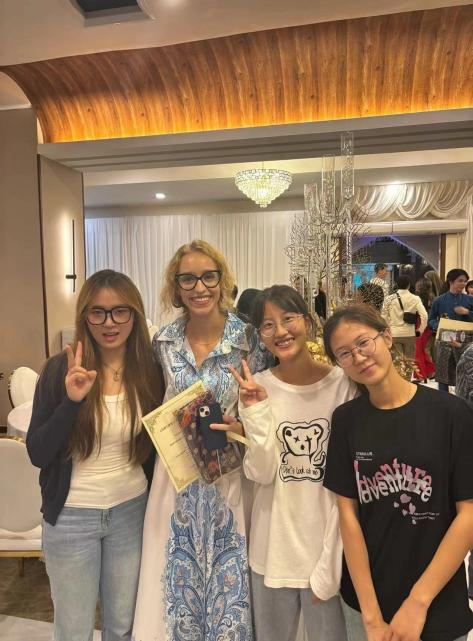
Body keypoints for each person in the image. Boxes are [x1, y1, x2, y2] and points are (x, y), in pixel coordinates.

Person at [133, 240, 269, 641]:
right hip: (176, 482)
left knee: (230, 583)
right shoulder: (163, 343)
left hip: (230, 478)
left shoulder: (250, 340)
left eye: (208, 276)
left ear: (221, 280)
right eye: (188, 279)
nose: (199, 287)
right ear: (176, 287)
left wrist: (242, 425)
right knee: (175, 581)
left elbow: (265, 406)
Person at [321, 303, 473, 641]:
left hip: (437, 601)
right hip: (366, 602)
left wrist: (418, 602)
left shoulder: (451, 414)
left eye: (364, 342)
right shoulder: (346, 420)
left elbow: (469, 513)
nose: (358, 357)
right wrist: (371, 615)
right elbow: (348, 515)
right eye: (344, 353)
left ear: (387, 337)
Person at [27, 269, 163, 641]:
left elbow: (155, 443)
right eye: (98, 312)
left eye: (120, 311)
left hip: (131, 512)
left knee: (122, 627)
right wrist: (71, 403)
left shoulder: (148, 370)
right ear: (85, 315)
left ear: (135, 314)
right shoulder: (60, 369)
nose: (109, 323)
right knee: (74, 631)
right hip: (72, 517)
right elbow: (38, 452)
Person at [231, 285, 356, 641]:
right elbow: (261, 471)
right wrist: (255, 411)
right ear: (260, 335)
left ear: (308, 321)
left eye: (288, 319)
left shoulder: (343, 385)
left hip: (326, 552)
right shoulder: (256, 387)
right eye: (268, 325)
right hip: (272, 548)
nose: (281, 332)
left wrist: (331, 560)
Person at [428, 268, 473, 391]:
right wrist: (439, 326)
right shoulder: (439, 300)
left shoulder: (470, 300)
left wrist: (467, 312)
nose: (464, 284)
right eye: (460, 281)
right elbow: (431, 320)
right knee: (443, 375)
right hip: (445, 342)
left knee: (466, 373)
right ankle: (444, 400)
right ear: (451, 281)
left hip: (465, 343)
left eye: (465, 281)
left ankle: (463, 399)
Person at [382, 274, 427, 359]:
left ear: (396, 285)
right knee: (409, 363)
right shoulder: (415, 298)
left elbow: (383, 316)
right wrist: (420, 330)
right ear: (409, 285)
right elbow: (424, 316)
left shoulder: (388, 299)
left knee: (397, 363)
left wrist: (389, 327)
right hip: (409, 333)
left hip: (394, 333)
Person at [414, 278, 436, 381]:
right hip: (430, 325)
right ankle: (430, 371)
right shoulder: (433, 298)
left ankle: (421, 373)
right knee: (425, 349)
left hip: (420, 324)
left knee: (419, 349)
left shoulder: (417, 298)